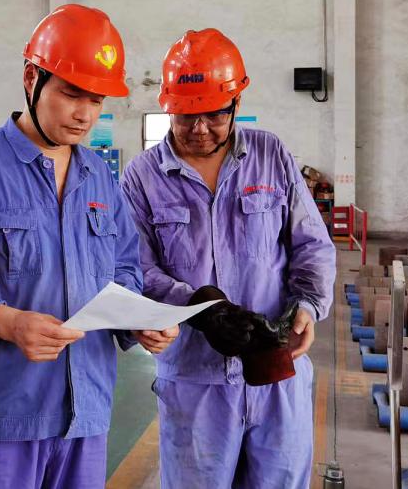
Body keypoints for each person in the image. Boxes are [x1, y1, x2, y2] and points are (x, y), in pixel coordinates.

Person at [0, 4, 178, 489]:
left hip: (87, 412)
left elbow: (124, 267)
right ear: (32, 79)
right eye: (72, 94)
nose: (85, 114)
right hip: (0, 413)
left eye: (96, 99)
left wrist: (137, 320)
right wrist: (5, 321)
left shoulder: (99, 177)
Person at [120, 28, 336, 489]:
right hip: (194, 378)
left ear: (237, 103)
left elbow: (311, 242)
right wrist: (201, 309)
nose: (199, 129)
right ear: (168, 107)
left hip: (277, 370)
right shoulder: (142, 177)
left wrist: (308, 304)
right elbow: (136, 267)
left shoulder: (270, 154)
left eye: (214, 114)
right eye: (185, 115)